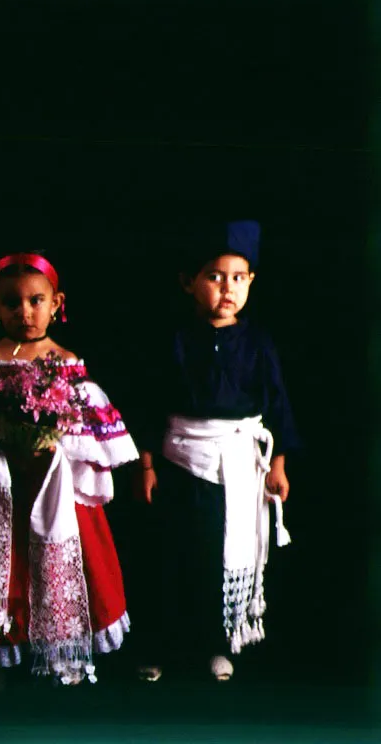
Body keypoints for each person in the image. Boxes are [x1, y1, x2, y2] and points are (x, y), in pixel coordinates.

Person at [0, 251, 139, 688]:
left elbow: (83, 429)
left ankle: (60, 653)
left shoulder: (67, 363)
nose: (25, 312)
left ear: (57, 303)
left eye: (36, 301)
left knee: (62, 563)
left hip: (54, 489)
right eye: (12, 303)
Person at [130, 220, 299, 683]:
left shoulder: (259, 342)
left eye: (238, 278)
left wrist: (278, 464)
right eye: (215, 277)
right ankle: (160, 645)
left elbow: (277, 403)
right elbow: (150, 403)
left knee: (220, 556)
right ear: (189, 282)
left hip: (239, 464)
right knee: (173, 554)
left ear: (251, 283)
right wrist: (147, 464)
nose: (227, 288)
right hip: (180, 458)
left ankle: (215, 646)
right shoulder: (175, 340)